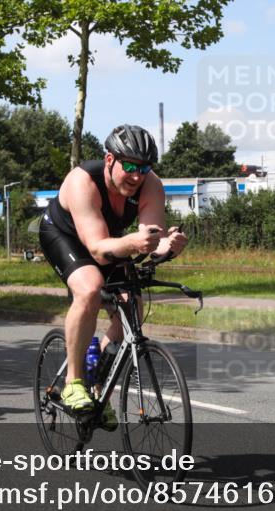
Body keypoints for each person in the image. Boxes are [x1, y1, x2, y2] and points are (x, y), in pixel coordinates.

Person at [39, 125, 187, 428]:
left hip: (110, 241)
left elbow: (150, 240)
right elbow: (96, 250)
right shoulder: (83, 182)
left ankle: (99, 393)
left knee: (132, 306)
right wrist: (133, 243)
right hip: (66, 237)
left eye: (144, 167)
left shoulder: (150, 185)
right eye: (130, 166)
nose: (137, 175)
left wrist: (168, 248)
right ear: (110, 160)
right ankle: (74, 383)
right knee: (90, 288)